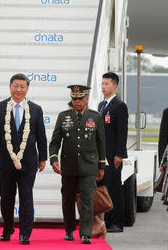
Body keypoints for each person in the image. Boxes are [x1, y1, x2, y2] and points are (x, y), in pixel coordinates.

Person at [0, 73, 47, 245]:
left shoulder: (36, 109)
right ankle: (7, 228)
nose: (19, 89)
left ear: (27, 88)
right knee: (6, 197)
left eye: (22, 86)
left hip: (29, 162)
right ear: (10, 87)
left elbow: (41, 136)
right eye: (16, 86)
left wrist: (43, 157)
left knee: (26, 197)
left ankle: (25, 233)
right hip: (6, 162)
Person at [49, 85, 106, 244]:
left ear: (86, 99)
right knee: (67, 199)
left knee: (87, 199)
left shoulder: (95, 117)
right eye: (74, 99)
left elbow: (101, 143)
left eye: (80, 99)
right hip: (68, 167)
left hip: (88, 166)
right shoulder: (63, 117)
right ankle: (68, 230)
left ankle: (86, 233)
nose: (77, 102)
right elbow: (54, 142)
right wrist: (54, 159)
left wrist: (101, 166)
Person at [97, 72, 128, 233]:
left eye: (107, 83)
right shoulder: (101, 105)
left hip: (113, 155)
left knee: (115, 188)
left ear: (115, 86)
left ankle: (117, 222)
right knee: (104, 188)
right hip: (102, 156)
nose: (103, 86)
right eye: (102, 83)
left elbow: (122, 132)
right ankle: (107, 220)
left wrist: (119, 154)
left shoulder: (119, 105)